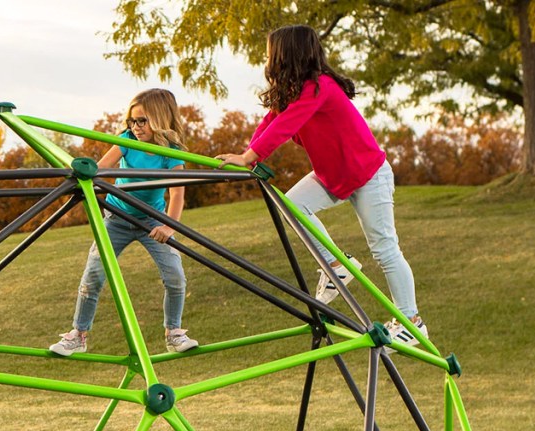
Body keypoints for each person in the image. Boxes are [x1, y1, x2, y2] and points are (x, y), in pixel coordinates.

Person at [215, 24, 427, 349]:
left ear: (287, 55)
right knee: (291, 204)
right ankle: (335, 265)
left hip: (368, 174)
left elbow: (284, 127)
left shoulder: (319, 87)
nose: (266, 59)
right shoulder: (293, 93)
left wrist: (249, 156)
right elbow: (270, 122)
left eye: (271, 53)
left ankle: (412, 321)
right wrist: (249, 155)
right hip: (332, 177)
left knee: (384, 247)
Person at [49, 88, 199, 356]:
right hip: (117, 218)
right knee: (93, 275)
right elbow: (99, 171)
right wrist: (88, 187)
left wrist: (168, 227)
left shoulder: (171, 152)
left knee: (175, 276)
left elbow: (177, 194)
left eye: (142, 121)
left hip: (152, 222)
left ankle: (173, 333)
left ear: (160, 118)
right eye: (132, 121)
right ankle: (78, 335)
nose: (136, 127)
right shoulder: (126, 140)